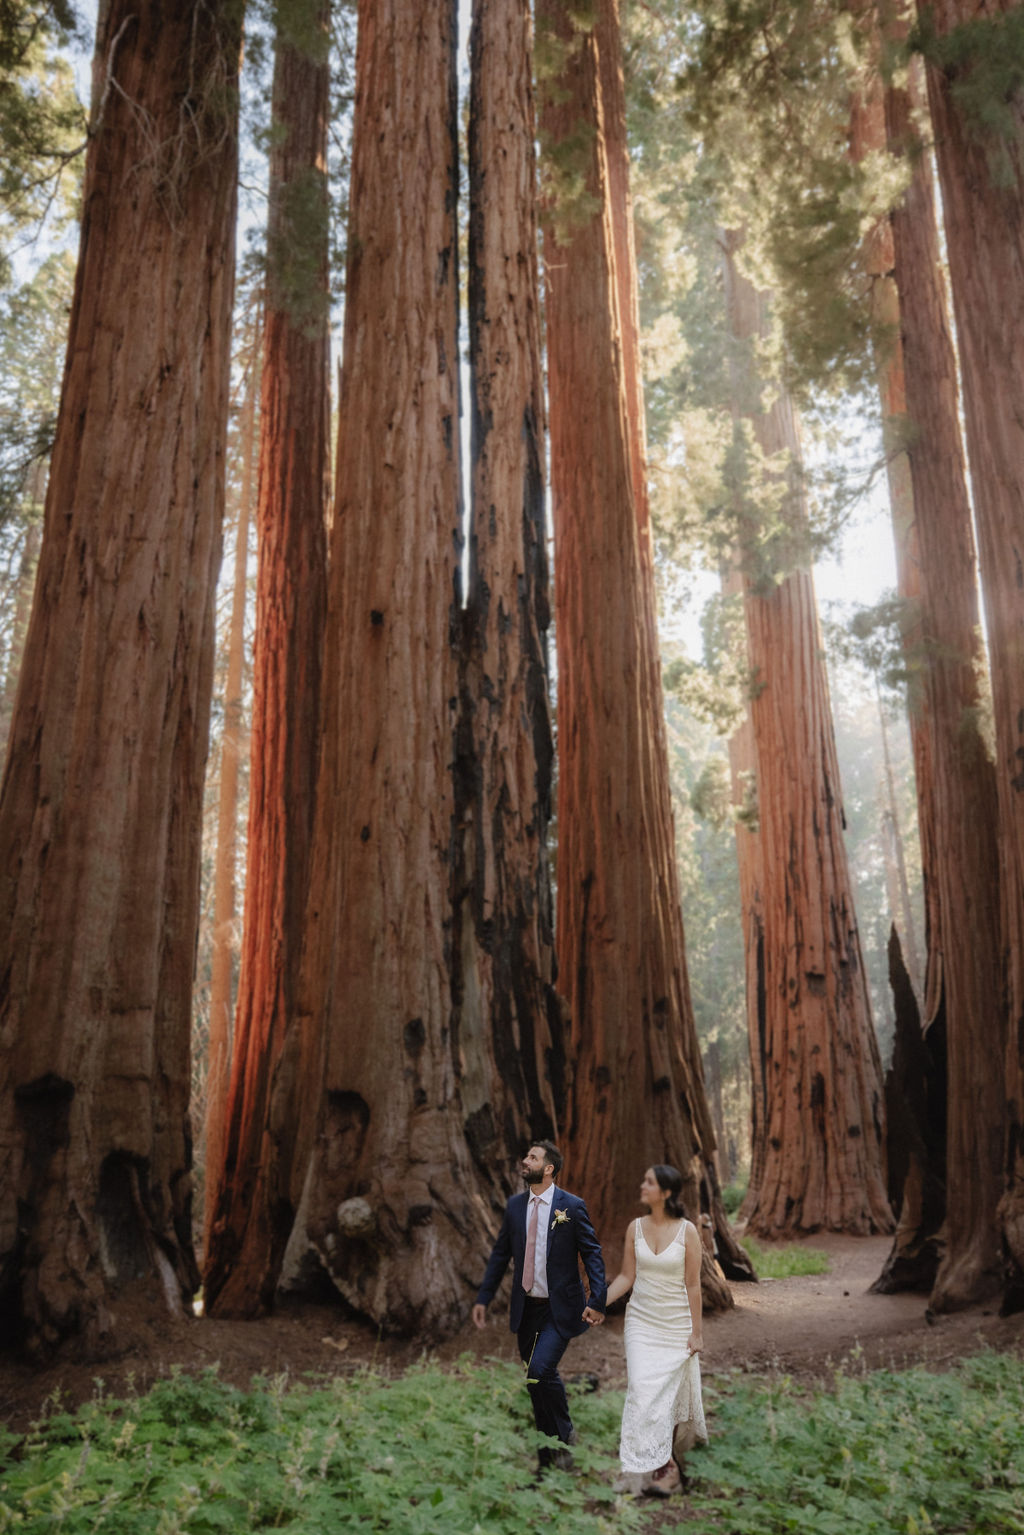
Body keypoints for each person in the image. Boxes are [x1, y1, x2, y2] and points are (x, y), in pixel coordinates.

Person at [472, 1141, 607, 1470]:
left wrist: (598, 1300)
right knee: (535, 1386)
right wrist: (484, 1298)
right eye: (526, 1156)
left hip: (559, 1309)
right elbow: (501, 1254)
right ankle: (546, 1462)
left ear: (549, 1169)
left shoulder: (571, 1207)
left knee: (540, 1370)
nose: (524, 1161)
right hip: (526, 1309)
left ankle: (565, 1435)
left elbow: (592, 1253)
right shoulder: (515, 1206)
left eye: (532, 1157)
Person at [604, 1164, 707, 1496]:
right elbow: (625, 1278)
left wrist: (697, 1333)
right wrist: (595, 1303)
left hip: (676, 1326)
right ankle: (635, 1470)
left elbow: (693, 1285)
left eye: (649, 1182)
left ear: (665, 1192)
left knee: (666, 1398)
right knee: (640, 1390)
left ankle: (667, 1469)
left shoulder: (688, 1231)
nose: (642, 1185)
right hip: (642, 1323)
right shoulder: (635, 1228)